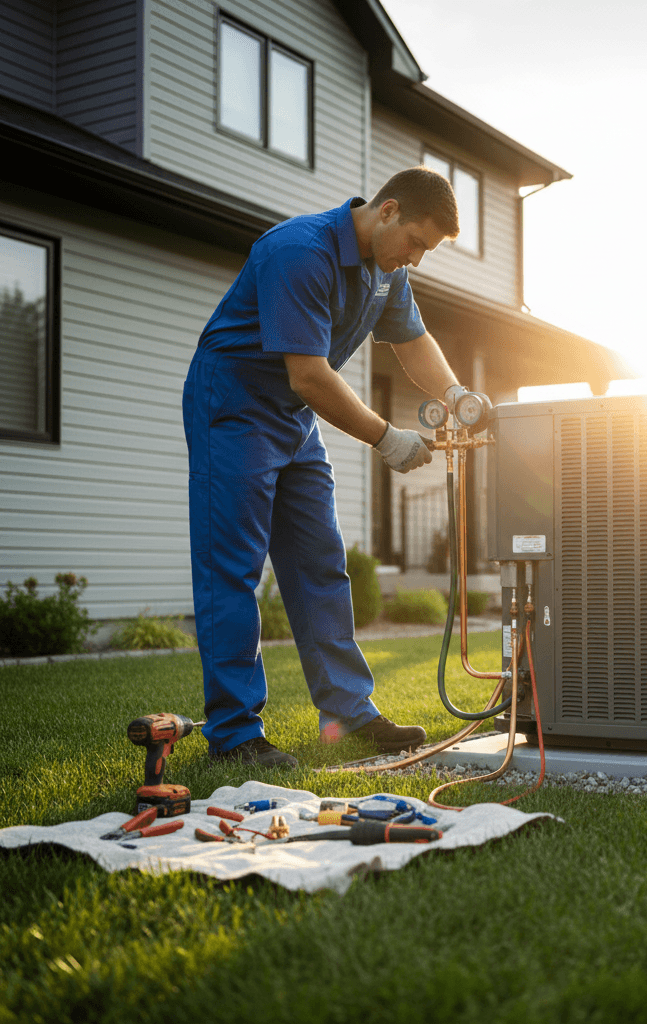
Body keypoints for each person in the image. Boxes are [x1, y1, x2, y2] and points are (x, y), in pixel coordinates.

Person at [182, 166, 484, 767]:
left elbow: (413, 340)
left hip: (293, 416)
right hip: (234, 404)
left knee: (322, 562)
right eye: (417, 243)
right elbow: (310, 374)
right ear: (388, 210)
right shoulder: (299, 251)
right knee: (233, 569)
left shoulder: (385, 269)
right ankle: (235, 733)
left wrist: (456, 397)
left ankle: (349, 714)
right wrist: (386, 438)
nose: (417, 260)